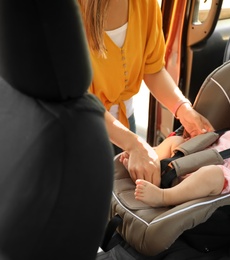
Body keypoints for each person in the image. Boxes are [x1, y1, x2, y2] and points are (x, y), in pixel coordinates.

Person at [77, 0, 214, 187]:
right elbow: (79, 100)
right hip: (81, 132)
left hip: (126, 123)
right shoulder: (65, 12)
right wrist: (135, 145)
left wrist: (182, 108)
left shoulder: (145, 4)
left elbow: (153, 69)